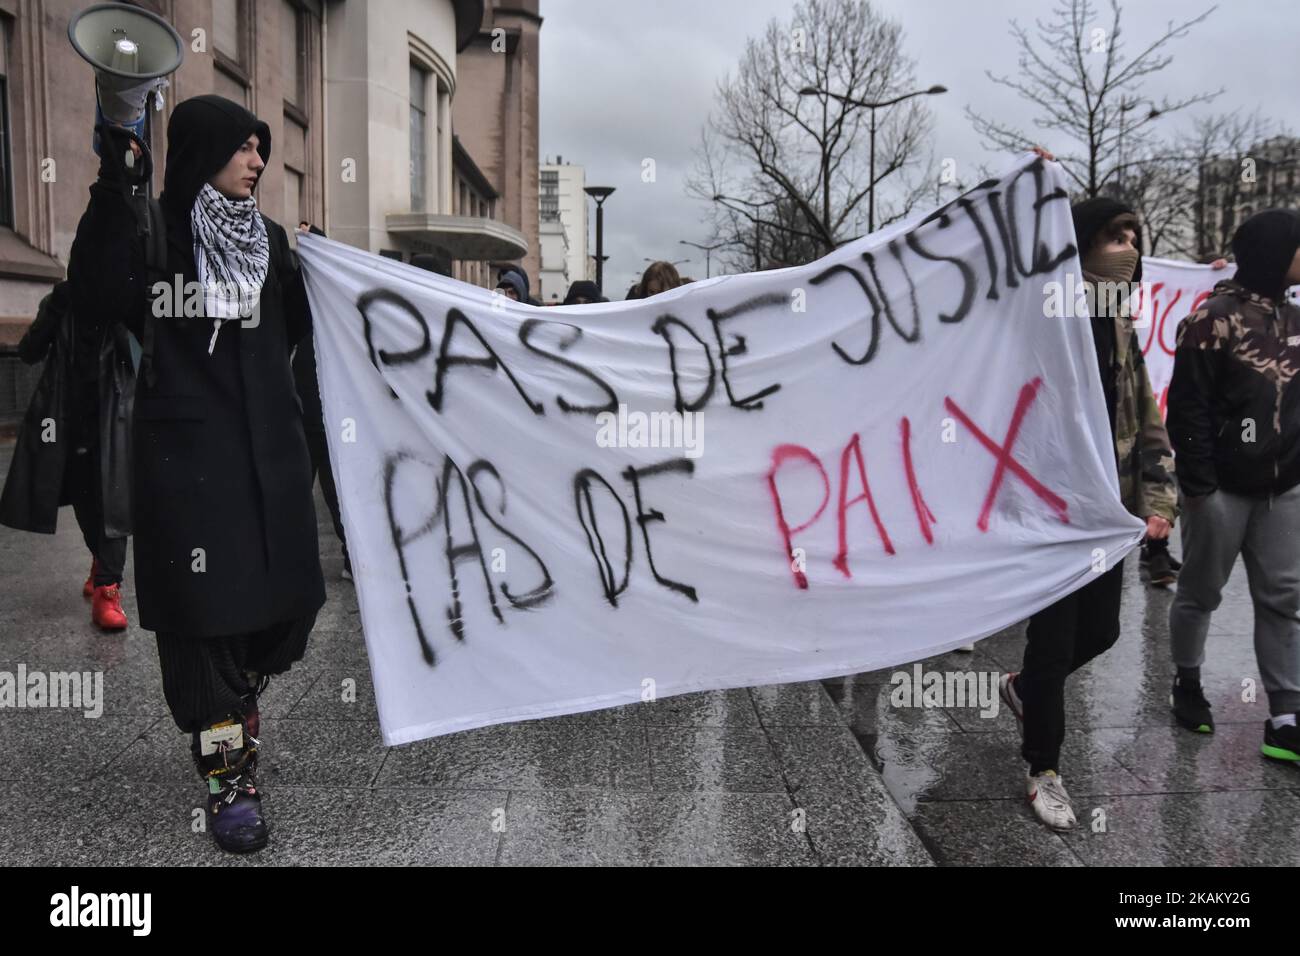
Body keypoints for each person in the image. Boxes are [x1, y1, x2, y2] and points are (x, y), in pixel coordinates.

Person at [67, 94, 326, 853]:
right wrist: (117, 176)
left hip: (272, 463)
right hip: (188, 470)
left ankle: (236, 703)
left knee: (285, 612)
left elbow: (302, 328)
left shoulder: (272, 241)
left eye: (261, 149)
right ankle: (229, 777)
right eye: (244, 148)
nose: (257, 162)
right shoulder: (154, 232)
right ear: (203, 150)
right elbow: (93, 289)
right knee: (201, 631)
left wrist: (327, 271)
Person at [998, 197, 1179, 830]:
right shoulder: (1045, 317)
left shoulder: (1124, 326)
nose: (1127, 244)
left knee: (1101, 632)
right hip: (1050, 511)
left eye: (1134, 233)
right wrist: (1032, 191)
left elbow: (1147, 417)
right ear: (1081, 243)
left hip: (1106, 511)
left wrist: (1158, 501)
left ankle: (1022, 692)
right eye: (1112, 233)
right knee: (1051, 645)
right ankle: (1044, 768)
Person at [1165, 208, 1300, 761]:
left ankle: (1286, 715)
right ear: (1273, 251)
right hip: (1220, 487)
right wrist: (1199, 486)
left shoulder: (1296, 318)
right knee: (1201, 593)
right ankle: (1188, 682)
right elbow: (1188, 407)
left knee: (1284, 599)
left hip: (1284, 489)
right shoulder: (1211, 319)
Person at [0, 281, 133, 630]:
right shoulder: (62, 299)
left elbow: (141, 354)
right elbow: (30, 350)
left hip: (113, 415)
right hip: (65, 418)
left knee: (114, 498)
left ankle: (108, 587)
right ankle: (100, 561)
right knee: (84, 499)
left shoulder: (123, 298)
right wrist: (53, 311)